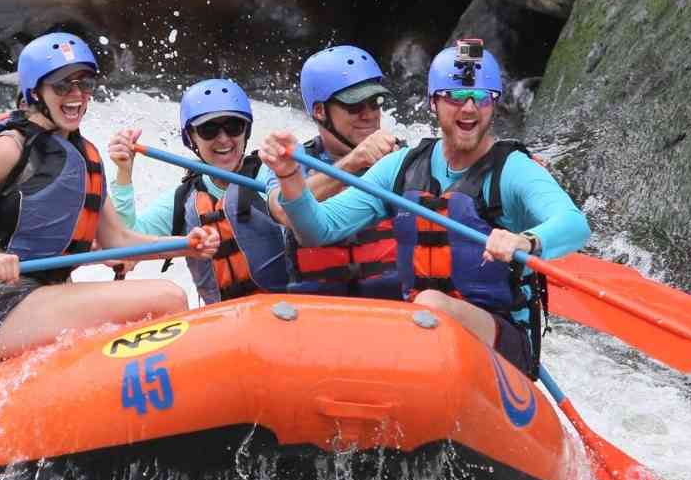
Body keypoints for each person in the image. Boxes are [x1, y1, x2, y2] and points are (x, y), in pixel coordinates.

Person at [260, 40, 591, 376]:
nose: (469, 110)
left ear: (495, 104)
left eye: (481, 98)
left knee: (430, 305)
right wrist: (291, 180)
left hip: (499, 340)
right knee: (420, 312)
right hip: (420, 336)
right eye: (455, 97)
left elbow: (573, 223)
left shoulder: (514, 169)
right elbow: (320, 229)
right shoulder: (402, 167)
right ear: (433, 102)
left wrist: (526, 240)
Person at [0, 32, 219, 360]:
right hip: (3, 304)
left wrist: (183, 244)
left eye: (83, 84)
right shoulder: (7, 148)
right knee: (169, 296)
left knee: (162, 298)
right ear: (35, 92)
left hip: (52, 296)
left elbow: (116, 239)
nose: (76, 95)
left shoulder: (87, 155)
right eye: (62, 85)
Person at [107, 79, 288, 304]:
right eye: (208, 129)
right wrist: (124, 174)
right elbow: (123, 248)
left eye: (234, 126)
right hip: (224, 320)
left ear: (246, 131)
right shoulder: (184, 200)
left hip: (287, 309)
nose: (223, 139)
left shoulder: (271, 175)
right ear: (191, 138)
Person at [266, 45, 403, 298]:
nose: (369, 114)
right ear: (320, 111)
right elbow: (282, 210)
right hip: (318, 309)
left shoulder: (405, 159)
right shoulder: (288, 162)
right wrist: (354, 162)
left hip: (394, 307)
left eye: (376, 102)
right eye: (355, 106)